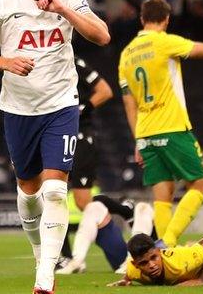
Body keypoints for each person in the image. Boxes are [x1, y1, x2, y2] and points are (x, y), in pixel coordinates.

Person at [0, 0, 110, 293]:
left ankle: (45, 277)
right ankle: (39, 253)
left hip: (61, 103)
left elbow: (103, 36)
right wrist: (6, 62)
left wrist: (61, 6)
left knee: (56, 191)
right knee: (28, 193)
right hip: (18, 108)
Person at [118, 0, 203, 248]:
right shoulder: (165, 42)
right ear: (166, 20)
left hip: (146, 132)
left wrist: (138, 139)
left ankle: (166, 255)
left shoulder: (126, 55)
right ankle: (166, 242)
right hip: (172, 127)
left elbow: (129, 103)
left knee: (163, 196)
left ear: (142, 19)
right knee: (201, 186)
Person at [57, 57, 144, 274]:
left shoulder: (73, 61)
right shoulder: (41, 61)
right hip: (56, 135)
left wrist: (81, 108)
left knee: (82, 201)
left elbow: (105, 90)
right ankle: (65, 258)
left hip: (79, 137)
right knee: (51, 194)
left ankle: (123, 213)